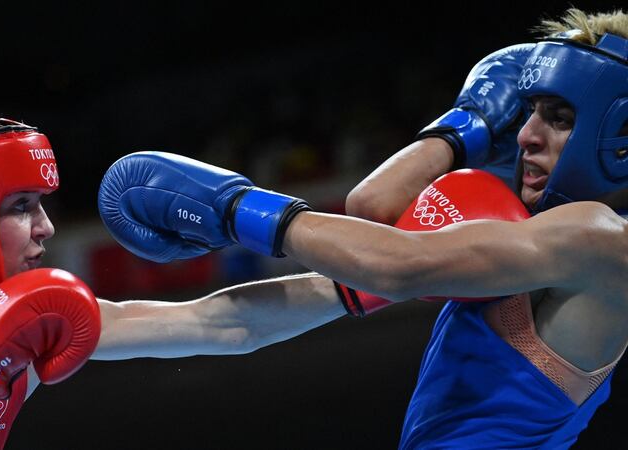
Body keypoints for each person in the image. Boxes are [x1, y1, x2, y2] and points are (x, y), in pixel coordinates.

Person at [97, 8, 628, 448]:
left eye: (560, 118)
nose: (526, 136)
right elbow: (371, 212)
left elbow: (397, 264)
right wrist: (465, 127)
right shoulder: (512, 241)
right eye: (529, 112)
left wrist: (237, 208)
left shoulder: (602, 240)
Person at [0, 117, 352, 449]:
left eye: (42, 205)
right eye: (21, 207)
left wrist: (365, 283)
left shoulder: (31, 319)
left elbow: (221, 323)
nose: (46, 228)